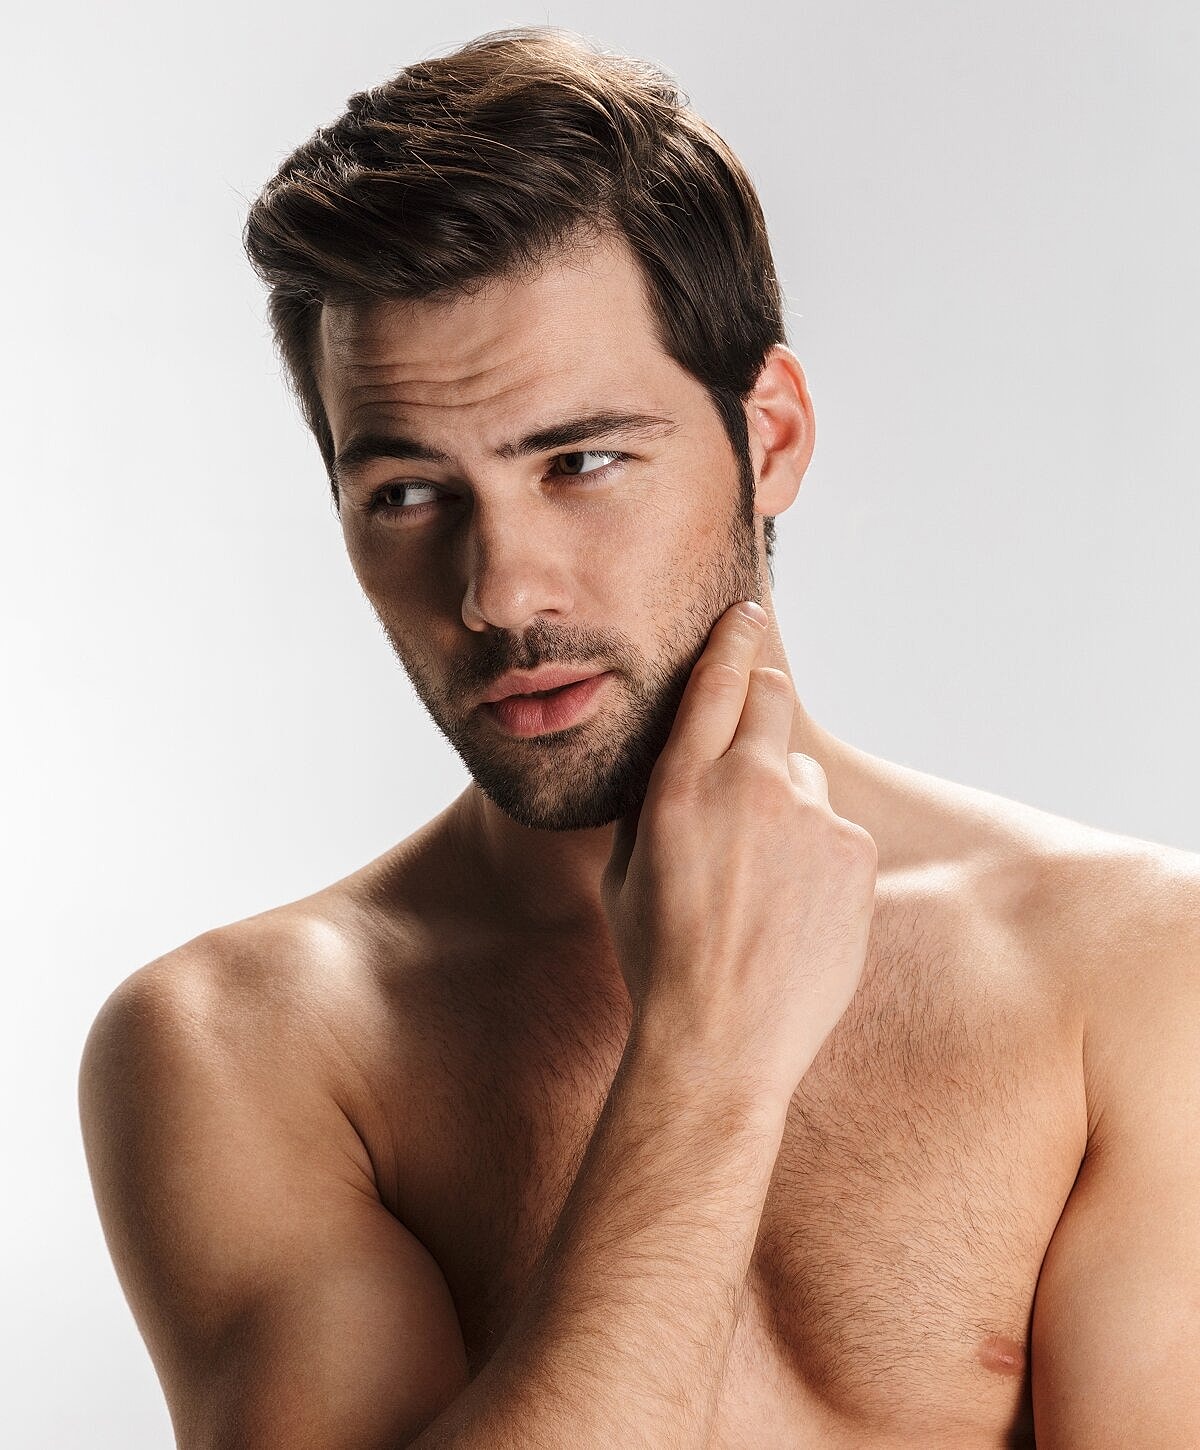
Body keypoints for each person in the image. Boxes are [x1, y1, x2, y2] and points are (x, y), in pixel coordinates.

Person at [78, 24, 1200, 1450]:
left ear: (770, 436)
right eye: (410, 494)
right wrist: (704, 1065)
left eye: (581, 460)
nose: (500, 591)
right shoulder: (252, 1048)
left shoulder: (1139, 976)